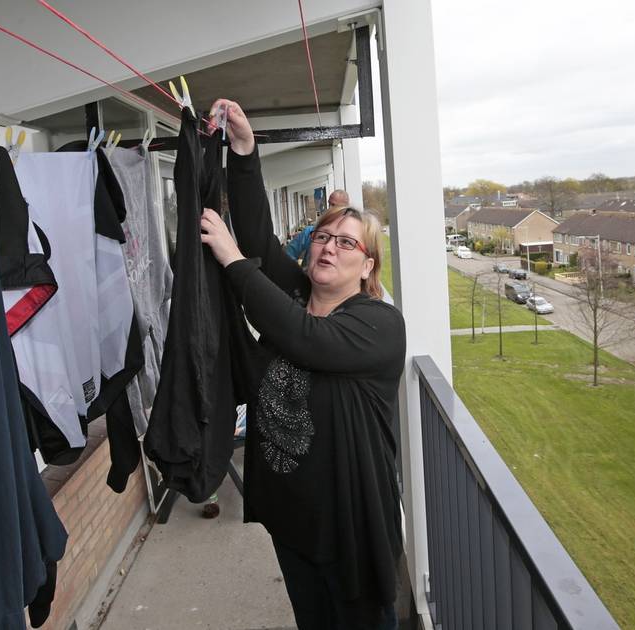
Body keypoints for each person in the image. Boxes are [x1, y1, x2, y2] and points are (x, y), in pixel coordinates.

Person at [200, 99, 406, 630]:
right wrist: (246, 153)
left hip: (350, 531)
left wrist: (233, 262)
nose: (329, 248)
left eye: (346, 243)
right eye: (322, 238)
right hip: (293, 520)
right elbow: (262, 243)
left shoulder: (378, 324)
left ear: (367, 266)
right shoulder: (296, 296)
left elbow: (308, 340)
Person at [285, 189, 350, 264]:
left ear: (345, 209)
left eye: (334, 205)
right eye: (329, 204)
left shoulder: (350, 240)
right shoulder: (310, 232)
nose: (330, 209)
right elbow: (288, 254)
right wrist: (297, 273)